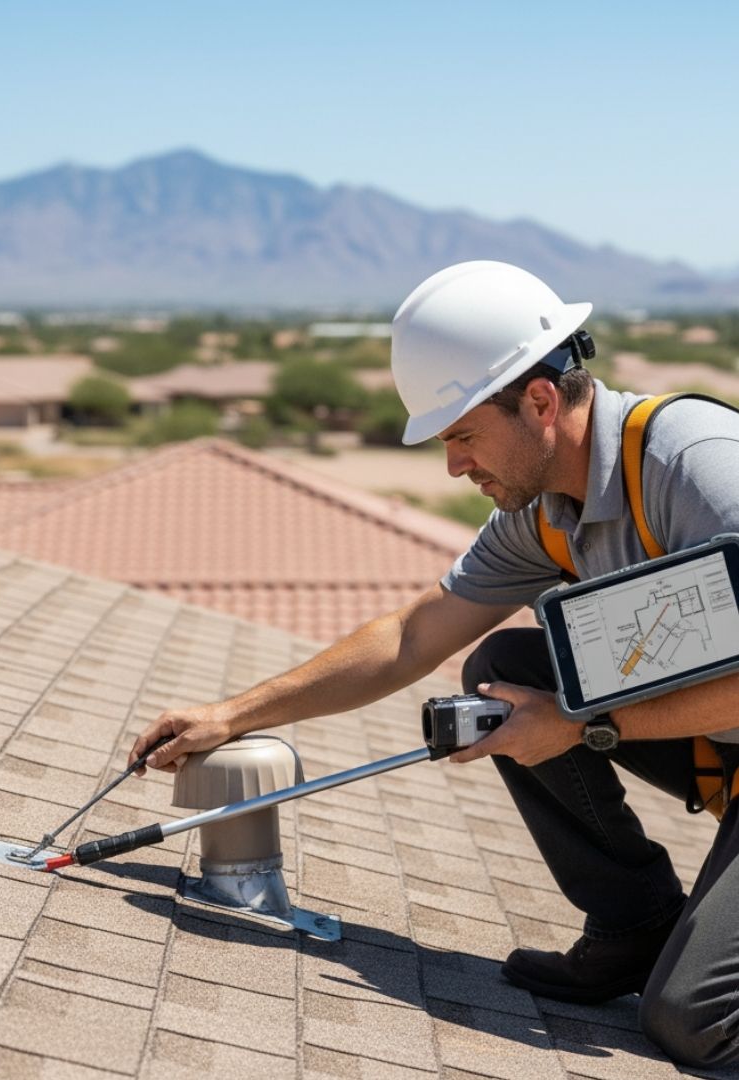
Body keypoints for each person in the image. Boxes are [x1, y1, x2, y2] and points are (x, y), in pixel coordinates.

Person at [128, 260, 739, 1069]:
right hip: (720, 739)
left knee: (697, 1024)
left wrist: (581, 724)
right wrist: (231, 716)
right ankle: (635, 926)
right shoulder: (544, 510)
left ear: (542, 402)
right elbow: (411, 638)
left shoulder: (696, 466)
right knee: (506, 668)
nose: (454, 465)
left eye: (461, 435)